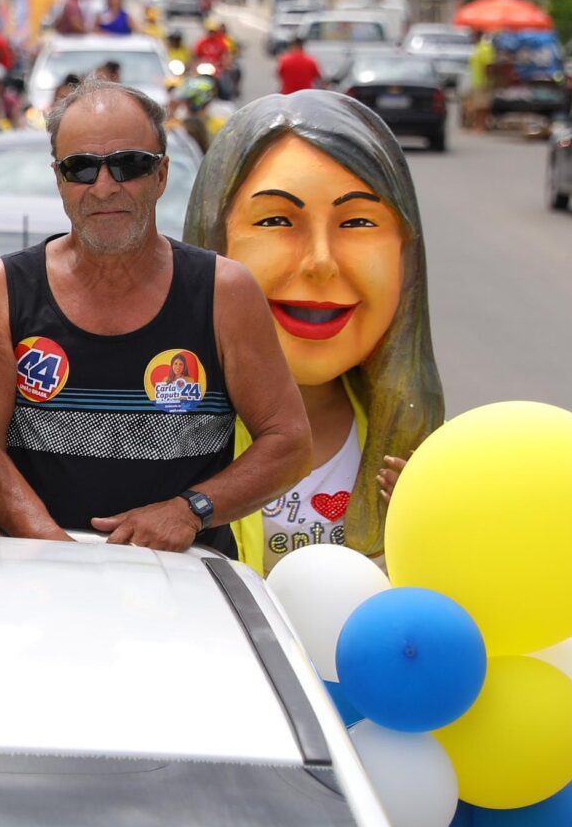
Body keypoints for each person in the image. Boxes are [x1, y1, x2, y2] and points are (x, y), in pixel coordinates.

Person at [0, 82, 312, 551]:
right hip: (37, 582)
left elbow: (288, 442)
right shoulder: (3, 289)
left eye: (129, 165)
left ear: (161, 174)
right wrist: (53, 547)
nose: (105, 187)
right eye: (81, 168)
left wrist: (190, 511)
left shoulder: (223, 292)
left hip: (186, 586)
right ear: (59, 179)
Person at [184, 91, 444, 570]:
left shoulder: (426, 460)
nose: (321, 262)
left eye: (358, 222)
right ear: (212, 238)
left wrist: (435, 530)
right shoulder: (169, 433)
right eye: (277, 220)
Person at [466, 33, 497, 131]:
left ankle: (481, 125)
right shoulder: (477, 48)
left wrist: (488, 80)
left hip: (483, 82)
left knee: (482, 106)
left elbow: (488, 65)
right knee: (478, 105)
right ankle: (477, 125)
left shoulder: (485, 48)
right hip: (477, 80)